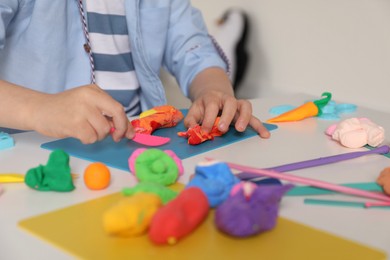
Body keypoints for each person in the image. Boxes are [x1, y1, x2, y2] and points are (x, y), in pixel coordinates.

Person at [0, 0, 270, 144]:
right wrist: (39, 108)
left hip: (135, 143)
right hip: (33, 149)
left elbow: (193, 48)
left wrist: (213, 91)